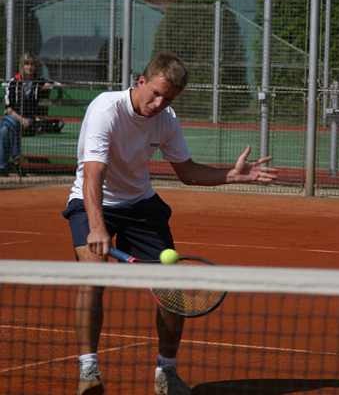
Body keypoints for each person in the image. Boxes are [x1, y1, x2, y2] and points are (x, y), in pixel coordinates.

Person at [63, 51, 277, 395]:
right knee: (92, 276)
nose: (159, 104)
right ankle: (89, 371)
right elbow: (93, 174)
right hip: (92, 199)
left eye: (168, 99)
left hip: (141, 204)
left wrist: (232, 176)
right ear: (141, 81)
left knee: (172, 290)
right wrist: (97, 226)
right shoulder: (106, 109)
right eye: (156, 94)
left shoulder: (166, 119)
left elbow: (187, 172)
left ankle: (167, 372)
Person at [0, 52, 59, 176]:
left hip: (31, 123)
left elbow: (57, 85)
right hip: (18, 120)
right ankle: (16, 159)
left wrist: (50, 85)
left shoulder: (38, 82)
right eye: (26, 64)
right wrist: (21, 120)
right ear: (22, 66)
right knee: (6, 128)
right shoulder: (13, 82)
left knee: (5, 127)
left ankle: (4, 165)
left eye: (32, 64)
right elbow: (8, 109)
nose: (30, 67)